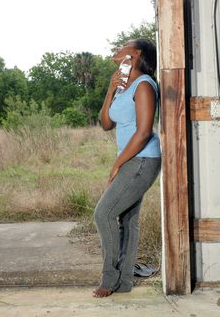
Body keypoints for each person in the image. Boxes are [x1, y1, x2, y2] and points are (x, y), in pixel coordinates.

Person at [93, 38, 162, 298]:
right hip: (133, 159)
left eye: (124, 45)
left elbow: (144, 132)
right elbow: (106, 124)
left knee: (104, 214)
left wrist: (117, 164)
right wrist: (110, 90)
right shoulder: (123, 86)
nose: (118, 48)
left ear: (136, 53)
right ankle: (123, 283)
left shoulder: (144, 85)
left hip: (143, 159)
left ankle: (109, 280)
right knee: (128, 219)